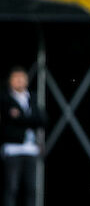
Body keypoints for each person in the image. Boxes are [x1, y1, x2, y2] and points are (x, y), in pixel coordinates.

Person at [1, 67, 46, 206]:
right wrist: (28, 119)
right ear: (10, 81)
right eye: (16, 77)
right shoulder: (5, 98)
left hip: (30, 148)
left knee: (31, 188)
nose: (19, 81)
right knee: (12, 187)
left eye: (22, 77)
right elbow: (7, 122)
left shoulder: (31, 98)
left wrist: (20, 117)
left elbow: (42, 119)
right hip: (12, 148)